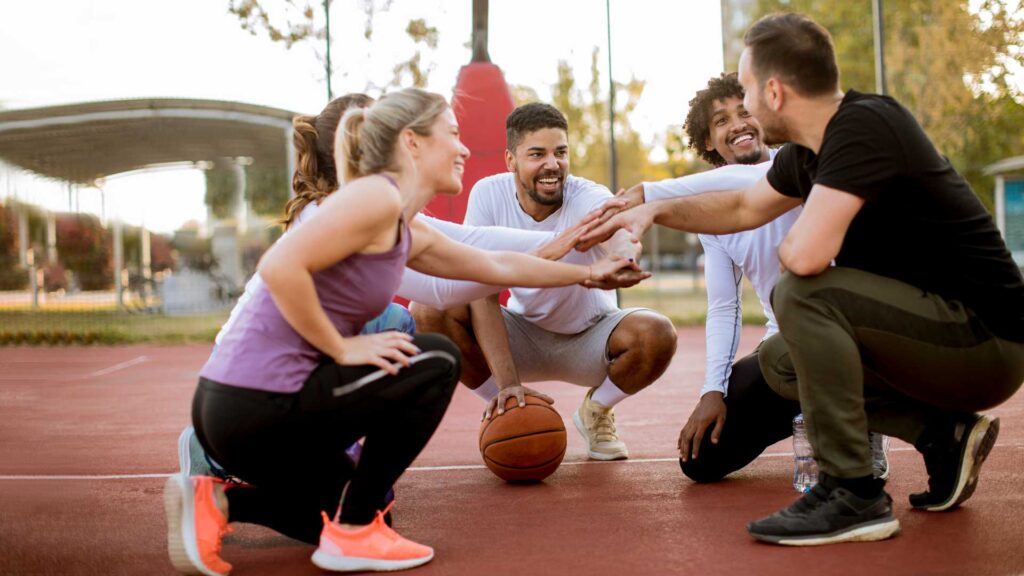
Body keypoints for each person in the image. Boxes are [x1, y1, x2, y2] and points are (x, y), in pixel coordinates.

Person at [582, 13, 1024, 546]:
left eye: (745, 90)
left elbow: (804, 258)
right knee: (778, 358)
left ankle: (854, 493)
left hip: (987, 342)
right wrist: (653, 212)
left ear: (773, 91)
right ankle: (944, 436)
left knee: (800, 294)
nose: (743, 104)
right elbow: (743, 204)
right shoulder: (806, 154)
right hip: (939, 340)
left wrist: (658, 196)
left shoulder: (865, 127)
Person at [164, 88, 644, 576]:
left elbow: (495, 261)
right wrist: (341, 347)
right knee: (432, 359)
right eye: (452, 135)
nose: (462, 149)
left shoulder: (397, 220)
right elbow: (279, 266)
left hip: (247, 407)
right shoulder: (370, 199)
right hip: (252, 402)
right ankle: (350, 534)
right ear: (411, 144)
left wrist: (588, 272)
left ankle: (220, 503)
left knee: (369, 506)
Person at [612, 73, 888, 483]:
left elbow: (752, 184)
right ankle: (810, 414)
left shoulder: (796, 163)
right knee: (701, 460)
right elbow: (724, 307)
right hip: (785, 351)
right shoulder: (710, 216)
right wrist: (713, 390)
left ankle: (860, 422)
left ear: (764, 115)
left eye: (745, 112)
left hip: (847, 337)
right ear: (708, 141)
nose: (737, 124)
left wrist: (653, 194)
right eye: (721, 120)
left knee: (824, 355)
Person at [412, 103, 678, 461]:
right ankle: (507, 406)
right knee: (427, 311)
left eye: (561, 153)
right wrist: (506, 384)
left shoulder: (590, 195)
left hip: (593, 336)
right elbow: (481, 290)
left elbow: (619, 231)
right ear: (511, 160)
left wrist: (626, 255)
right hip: (523, 334)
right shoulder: (487, 194)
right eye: (537, 154)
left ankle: (596, 411)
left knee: (656, 333)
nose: (552, 164)